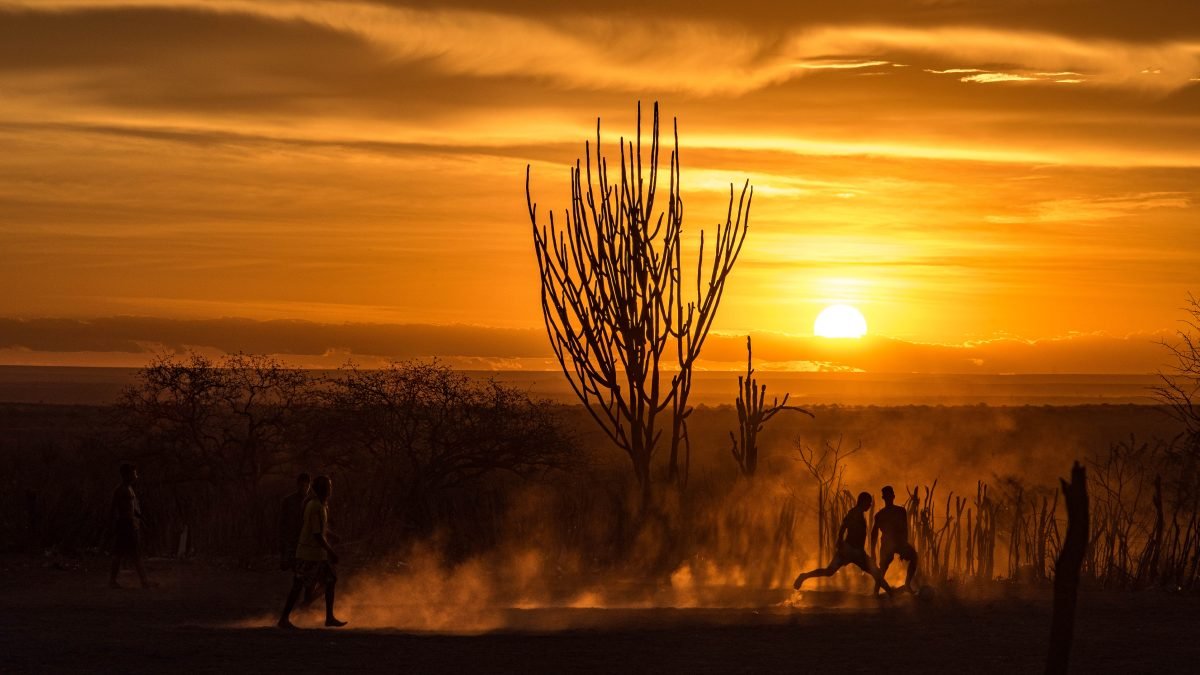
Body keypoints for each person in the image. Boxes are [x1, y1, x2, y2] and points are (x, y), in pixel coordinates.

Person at [279, 475, 346, 629]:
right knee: (298, 585)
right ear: (323, 489)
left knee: (330, 580)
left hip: (315, 554)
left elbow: (320, 529)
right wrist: (331, 551)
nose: (331, 489)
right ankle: (285, 618)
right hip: (308, 554)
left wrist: (332, 536)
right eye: (329, 486)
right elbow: (316, 534)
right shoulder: (315, 506)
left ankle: (328, 617)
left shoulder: (321, 505)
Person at [793, 491, 892, 594]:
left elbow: (846, 527)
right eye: (869, 502)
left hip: (855, 552)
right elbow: (844, 526)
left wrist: (842, 541)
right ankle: (890, 593)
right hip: (849, 550)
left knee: (830, 571)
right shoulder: (854, 513)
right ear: (863, 502)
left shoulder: (858, 513)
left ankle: (889, 592)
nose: (870, 505)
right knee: (831, 571)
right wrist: (839, 540)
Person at [109, 463, 154, 589]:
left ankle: (113, 581)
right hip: (126, 525)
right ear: (126, 475)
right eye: (134, 473)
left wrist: (140, 519)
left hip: (129, 524)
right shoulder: (121, 490)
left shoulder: (128, 488)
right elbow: (114, 509)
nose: (136, 476)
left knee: (123, 553)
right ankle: (144, 581)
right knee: (132, 554)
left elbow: (133, 509)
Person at [872, 485, 918, 593]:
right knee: (883, 566)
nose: (888, 498)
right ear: (884, 498)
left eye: (889, 496)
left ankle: (907, 584)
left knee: (914, 557)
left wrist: (904, 544)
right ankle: (875, 591)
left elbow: (905, 528)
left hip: (899, 542)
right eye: (886, 496)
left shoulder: (900, 511)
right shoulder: (879, 515)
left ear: (893, 496)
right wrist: (873, 551)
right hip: (887, 543)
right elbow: (873, 534)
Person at [279, 473, 311, 571]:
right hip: (293, 541)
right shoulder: (288, 501)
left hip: (306, 541)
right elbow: (282, 524)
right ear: (298, 485)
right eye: (302, 485)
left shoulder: (312, 502)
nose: (304, 488)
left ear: (309, 485)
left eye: (306, 485)